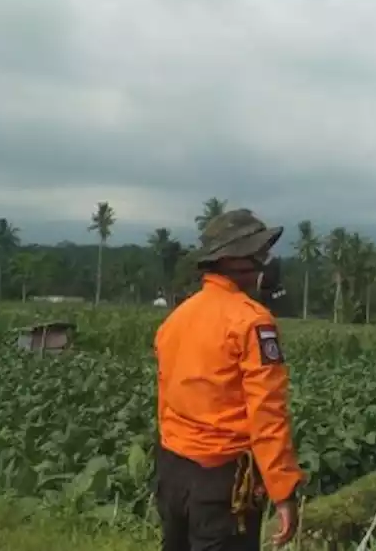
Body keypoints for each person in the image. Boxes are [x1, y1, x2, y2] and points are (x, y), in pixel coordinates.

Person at [154, 208, 305, 550]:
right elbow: (267, 414)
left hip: (172, 469)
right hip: (222, 478)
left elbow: (166, 396)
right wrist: (283, 491)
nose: (264, 263)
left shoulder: (177, 319)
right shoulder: (252, 322)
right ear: (237, 260)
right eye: (259, 253)